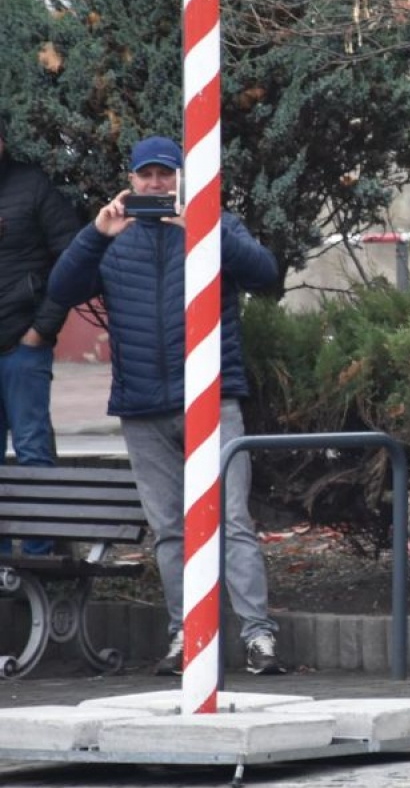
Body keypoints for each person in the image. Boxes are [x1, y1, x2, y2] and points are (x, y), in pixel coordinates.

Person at [47, 136, 284, 676]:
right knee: (171, 531)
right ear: (130, 182)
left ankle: (258, 636)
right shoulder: (113, 238)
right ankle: (186, 633)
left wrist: (203, 227)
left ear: (182, 178)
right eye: (146, 176)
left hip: (212, 400)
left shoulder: (213, 225)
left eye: (166, 175)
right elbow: (62, 287)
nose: (156, 185)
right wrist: (95, 233)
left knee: (234, 521)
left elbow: (264, 273)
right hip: (142, 407)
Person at [0, 120, 78, 556]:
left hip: (22, 349)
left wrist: (42, 328)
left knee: (32, 452)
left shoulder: (33, 187)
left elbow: (71, 258)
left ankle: (40, 557)